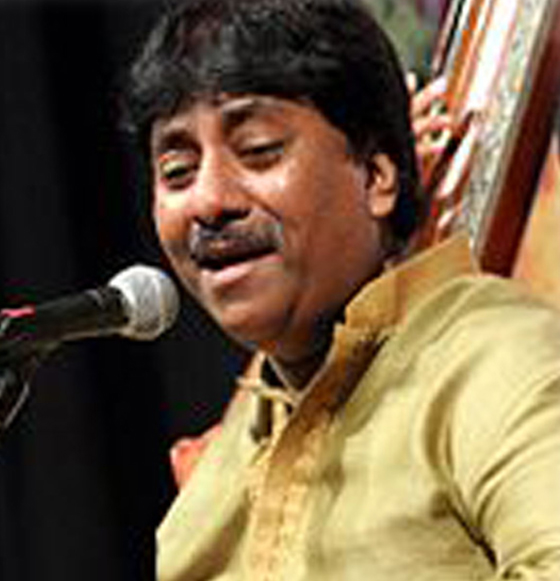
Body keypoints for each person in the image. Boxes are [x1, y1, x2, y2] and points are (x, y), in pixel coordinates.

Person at [120, 0, 560, 579]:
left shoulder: (491, 358)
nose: (208, 201)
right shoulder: (210, 488)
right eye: (178, 172)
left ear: (376, 176)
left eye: (258, 151)